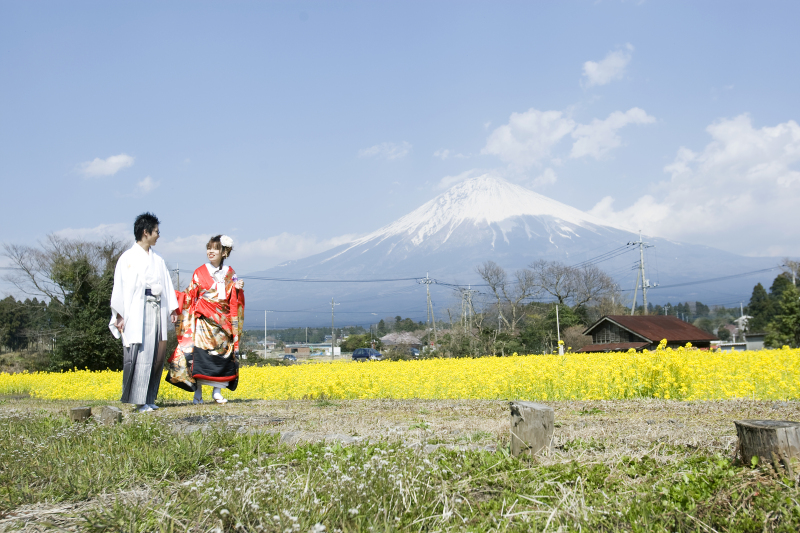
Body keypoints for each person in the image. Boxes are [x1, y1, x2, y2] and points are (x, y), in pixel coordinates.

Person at [109, 212, 179, 413]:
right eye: (156, 231)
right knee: (141, 353)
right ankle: (138, 400)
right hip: (137, 310)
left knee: (156, 352)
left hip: (156, 306)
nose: (158, 235)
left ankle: (149, 397)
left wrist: (172, 308)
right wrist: (119, 314)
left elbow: (166, 283)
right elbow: (120, 288)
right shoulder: (127, 258)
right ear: (146, 232)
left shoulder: (158, 259)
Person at [165, 235, 244, 404]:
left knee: (222, 355)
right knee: (200, 356)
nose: (210, 251)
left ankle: (217, 391)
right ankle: (197, 393)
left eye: (215, 248)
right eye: (208, 248)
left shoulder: (230, 273)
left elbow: (233, 298)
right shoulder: (199, 272)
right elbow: (189, 295)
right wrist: (174, 300)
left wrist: (237, 289)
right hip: (203, 321)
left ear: (224, 252)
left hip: (223, 322)